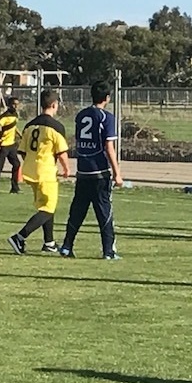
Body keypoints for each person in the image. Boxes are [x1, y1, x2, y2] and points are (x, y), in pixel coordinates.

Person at [59, 81, 124, 260]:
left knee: (77, 211)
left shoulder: (81, 115)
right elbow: (108, 146)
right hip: (99, 172)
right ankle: (108, 251)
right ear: (107, 98)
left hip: (83, 171)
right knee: (104, 212)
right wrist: (117, 173)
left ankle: (66, 245)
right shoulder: (106, 117)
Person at [7, 90, 70, 255]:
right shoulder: (56, 127)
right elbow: (61, 152)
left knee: (45, 206)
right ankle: (19, 237)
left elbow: (22, 150)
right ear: (54, 105)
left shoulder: (30, 125)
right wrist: (66, 168)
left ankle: (49, 242)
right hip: (46, 171)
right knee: (48, 208)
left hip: (31, 170)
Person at [0, 96, 22, 195]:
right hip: (4, 145)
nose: (16, 106)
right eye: (14, 104)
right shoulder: (4, 116)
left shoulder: (15, 115)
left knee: (17, 165)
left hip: (11, 145)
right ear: (9, 105)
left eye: (17, 104)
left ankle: (14, 187)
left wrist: (20, 135)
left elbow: (14, 127)